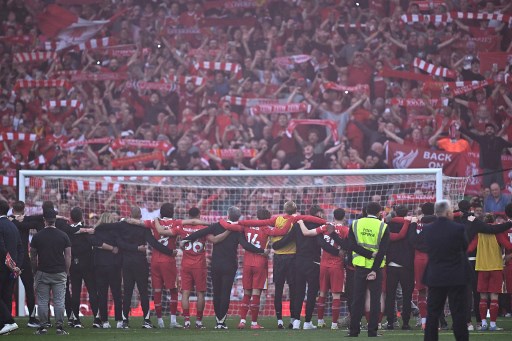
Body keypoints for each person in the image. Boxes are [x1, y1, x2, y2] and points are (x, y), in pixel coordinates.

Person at [181, 206, 267, 329]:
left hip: (215, 264)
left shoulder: (217, 225)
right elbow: (245, 245)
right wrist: (261, 251)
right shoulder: (238, 230)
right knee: (225, 293)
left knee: (217, 293)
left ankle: (217, 321)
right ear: (239, 217)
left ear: (227, 214)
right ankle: (221, 322)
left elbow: (201, 232)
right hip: (230, 265)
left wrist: (186, 239)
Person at [95, 206, 176, 329]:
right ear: (140, 216)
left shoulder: (122, 225)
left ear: (130, 214)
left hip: (126, 263)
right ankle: (147, 320)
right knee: (143, 292)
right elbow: (154, 243)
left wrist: (95, 228)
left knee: (127, 292)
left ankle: (125, 321)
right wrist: (169, 252)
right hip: (140, 263)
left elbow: (109, 233)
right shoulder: (143, 228)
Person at [218, 207, 291, 329]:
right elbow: (283, 231)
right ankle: (254, 323)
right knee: (256, 293)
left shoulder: (247, 226)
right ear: (267, 218)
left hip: (247, 262)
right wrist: (291, 219)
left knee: (247, 293)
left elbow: (229, 227)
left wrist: (221, 220)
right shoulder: (266, 228)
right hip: (260, 262)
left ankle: (242, 321)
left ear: (257, 216)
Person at [423, 200, 470, 341]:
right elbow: (464, 247)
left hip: (435, 275)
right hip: (456, 276)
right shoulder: (458, 228)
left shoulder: (428, 229)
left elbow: (427, 248)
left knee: (432, 314)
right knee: (458, 313)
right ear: (449, 212)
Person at [297, 207, 349, 330]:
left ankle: (320, 321)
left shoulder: (325, 226)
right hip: (337, 265)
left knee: (322, 293)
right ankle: (334, 324)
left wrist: (300, 222)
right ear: (344, 217)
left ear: (333, 216)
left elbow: (307, 233)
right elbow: (348, 246)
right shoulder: (346, 230)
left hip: (323, 265)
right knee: (336, 295)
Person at [347, 201, 389, 338]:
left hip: (359, 267)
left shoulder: (355, 224)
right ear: (379, 212)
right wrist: (374, 269)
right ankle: (372, 332)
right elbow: (382, 251)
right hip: (375, 268)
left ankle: (354, 331)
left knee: (357, 299)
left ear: (365, 210)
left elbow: (351, 245)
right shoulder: (383, 226)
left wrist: (367, 254)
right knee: (375, 300)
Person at [467, 213, 512, 331]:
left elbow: (470, 248)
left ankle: (483, 323)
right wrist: (507, 255)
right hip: (495, 267)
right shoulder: (498, 232)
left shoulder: (479, 233)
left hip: (481, 267)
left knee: (482, 296)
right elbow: (508, 245)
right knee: (494, 296)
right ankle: (492, 324)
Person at [30, 208, 71, 335]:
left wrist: (34, 271)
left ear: (44, 220)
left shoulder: (37, 236)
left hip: (42, 271)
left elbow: (33, 256)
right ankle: (59, 328)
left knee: (42, 301)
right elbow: (68, 256)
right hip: (59, 272)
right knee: (59, 301)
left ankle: (42, 327)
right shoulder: (63, 235)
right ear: (55, 220)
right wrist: (66, 271)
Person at [8, 200, 42, 328]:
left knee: (8, 289)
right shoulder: (26, 221)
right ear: (24, 210)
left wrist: (15, 218)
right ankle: (32, 319)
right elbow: (41, 219)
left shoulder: (8, 220)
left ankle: (7, 319)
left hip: (10, 259)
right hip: (24, 260)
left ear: (12, 210)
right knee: (29, 288)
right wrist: (22, 218)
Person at [89, 212, 123, 329]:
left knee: (102, 295)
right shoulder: (116, 231)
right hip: (114, 266)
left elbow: (94, 242)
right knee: (117, 294)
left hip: (100, 266)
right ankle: (119, 321)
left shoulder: (96, 230)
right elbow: (120, 245)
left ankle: (104, 321)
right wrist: (113, 248)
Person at [68, 207, 99, 328]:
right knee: (92, 291)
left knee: (75, 292)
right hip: (88, 265)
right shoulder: (88, 230)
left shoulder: (68, 231)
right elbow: (94, 243)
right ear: (81, 217)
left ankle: (76, 320)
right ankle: (96, 319)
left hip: (74, 264)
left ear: (71, 217)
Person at [461, 123, 512, 188]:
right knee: (486, 188)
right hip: (487, 169)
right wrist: (460, 128)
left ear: (494, 131)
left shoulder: (499, 140)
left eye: (491, 129)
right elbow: (471, 135)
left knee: (499, 188)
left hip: (498, 169)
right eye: (488, 129)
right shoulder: (482, 139)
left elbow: (510, 144)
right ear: (485, 131)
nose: (489, 130)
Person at [0, 199, 23, 336]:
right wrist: (17, 266)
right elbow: (21, 248)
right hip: (12, 269)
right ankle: (5, 327)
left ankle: (8, 322)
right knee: (6, 296)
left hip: (3, 267)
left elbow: (1, 248)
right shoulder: (13, 226)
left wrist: (12, 265)